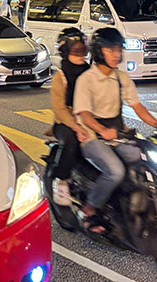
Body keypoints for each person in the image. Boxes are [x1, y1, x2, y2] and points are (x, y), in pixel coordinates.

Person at [72, 28, 157, 233]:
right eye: (111, 50)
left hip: (117, 136)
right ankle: (89, 209)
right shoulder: (87, 79)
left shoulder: (121, 78)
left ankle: (130, 205)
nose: (116, 54)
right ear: (99, 51)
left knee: (142, 159)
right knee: (115, 171)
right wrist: (102, 130)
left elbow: (138, 107)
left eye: (118, 50)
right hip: (92, 136)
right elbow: (84, 114)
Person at [48, 29, 91, 206]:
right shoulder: (61, 77)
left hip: (89, 119)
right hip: (66, 122)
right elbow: (59, 109)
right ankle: (62, 181)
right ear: (66, 52)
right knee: (72, 140)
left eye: (83, 51)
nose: (81, 55)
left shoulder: (91, 73)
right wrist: (76, 126)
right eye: (76, 51)